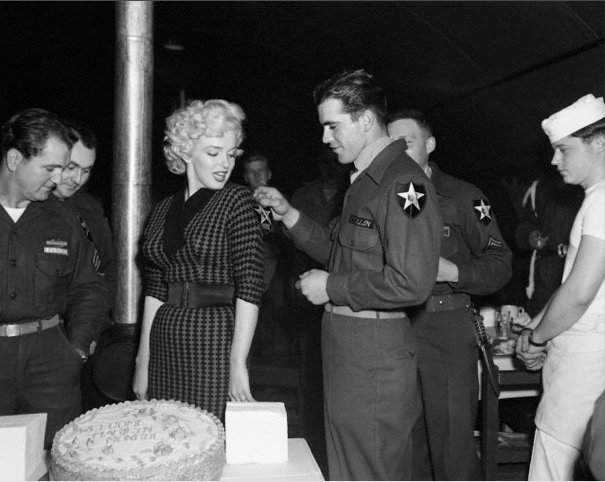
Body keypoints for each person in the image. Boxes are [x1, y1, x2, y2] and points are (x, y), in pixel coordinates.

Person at [255, 69, 443, 481]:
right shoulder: (363, 182)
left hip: (372, 356)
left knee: (368, 470)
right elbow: (342, 253)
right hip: (350, 352)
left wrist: (331, 287)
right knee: (347, 470)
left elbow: (412, 283)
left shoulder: (402, 183)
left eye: (333, 126)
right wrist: (289, 215)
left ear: (366, 120)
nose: (326, 138)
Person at [386, 109, 512, 480]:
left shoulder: (462, 196)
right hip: (392, 327)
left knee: (452, 446)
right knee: (403, 446)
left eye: (406, 143)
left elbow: (500, 262)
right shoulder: (375, 195)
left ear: (430, 144)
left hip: (445, 325)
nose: (397, 152)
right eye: (390, 144)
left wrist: (454, 272)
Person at [133, 99, 265, 422]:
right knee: (164, 434)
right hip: (165, 337)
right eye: (213, 153)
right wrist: (142, 361)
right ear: (185, 152)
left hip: (214, 340)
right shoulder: (162, 210)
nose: (225, 164)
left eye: (231, 154)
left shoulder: (237, 200)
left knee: (209, 434)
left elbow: (250, 285)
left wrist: (238, 362)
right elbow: (155, 290)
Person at [0, 108, 107, 448]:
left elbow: (90, 287)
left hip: (50, 364)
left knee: (57, 456)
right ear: (15, 159)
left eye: (63, 168)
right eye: (50, 168)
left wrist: (76, 349)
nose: (59, 178)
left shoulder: (63, 218)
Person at [516, 94, 605, 480]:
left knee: (555, 465)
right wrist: (536, 326)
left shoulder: (602, 203)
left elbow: (580, 293)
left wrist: (537, 339)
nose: (554, 160)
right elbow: (576, 283)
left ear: (599, 142)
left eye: (564, 149)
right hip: (588, 358)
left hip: (584, 363)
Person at [286, 147, 350, 474]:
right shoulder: (303, 195)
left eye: (333, 162)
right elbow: (291, 247)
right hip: (307, 289)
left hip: (340, 293)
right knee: (310, 370)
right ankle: (311, 440)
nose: (329, 168)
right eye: (323, 162)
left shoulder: (351, 194)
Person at [53, 119, 117, 320]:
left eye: (86, 170)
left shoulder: (90, 209)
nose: (77, 179)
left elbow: (107, 270)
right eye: (71, 167)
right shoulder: (24, 206)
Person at [242, 151, 293, 356]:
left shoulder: (284, 202)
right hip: (248, 272)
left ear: (269, 173)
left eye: (261, 170)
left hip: (278, 271)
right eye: (251, 172)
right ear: (245, 177)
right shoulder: (237, 203)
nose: (257, 176)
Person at [515, 168, 583, 317]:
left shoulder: (591, 188)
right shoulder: (539, 188)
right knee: (538, 318)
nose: (556, 159)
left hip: (579, 270)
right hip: (545, 273)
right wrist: (530, 236)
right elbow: (523, 226)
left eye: (563, 154)